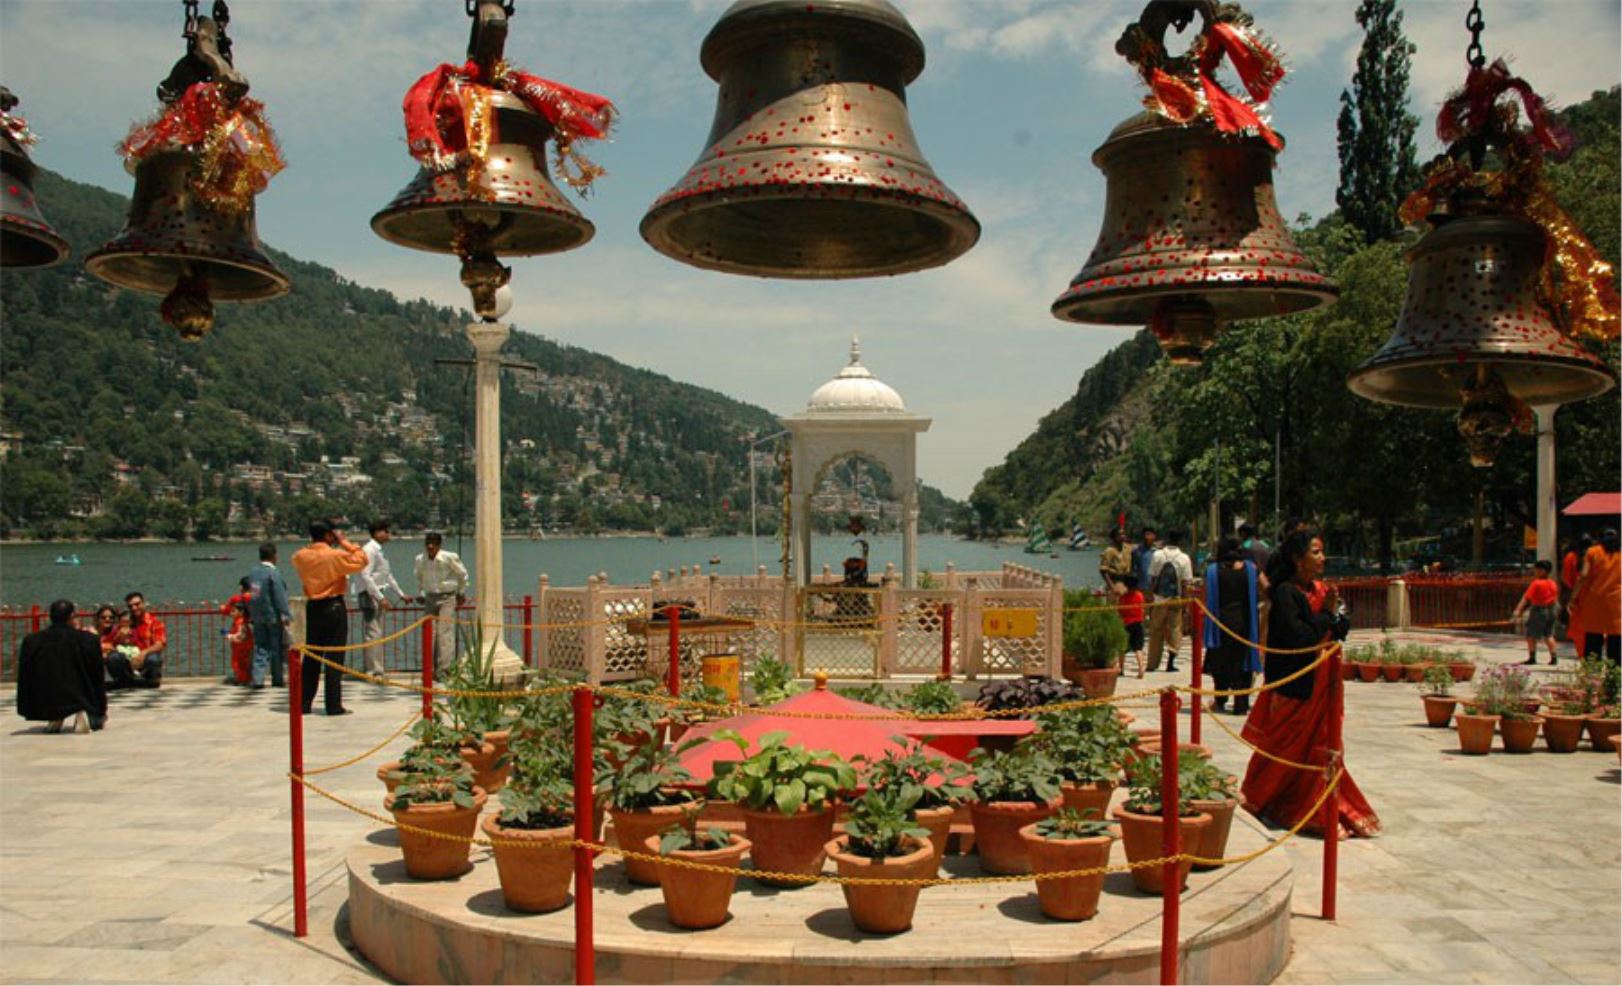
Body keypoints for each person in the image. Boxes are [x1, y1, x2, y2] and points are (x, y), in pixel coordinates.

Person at [1240, 529, 1379, 839]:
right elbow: (1301, 637)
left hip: (1323, 684)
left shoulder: (1322, 589)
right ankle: (1260, 796)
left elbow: (1339, 629)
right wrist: (1328, 614)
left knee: (1320, 747)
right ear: (1296, 558)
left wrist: (1335, 615)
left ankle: (1316, 805)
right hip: (1296, 685)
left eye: (1322, 552)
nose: (1322, 558)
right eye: (1315, 552)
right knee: (1282, 746)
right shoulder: (1287, 593)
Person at [291, 520, 368, 716]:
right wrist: (345, 542)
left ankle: (304, 703)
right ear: (328, 535)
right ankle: (333, 705)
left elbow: (297, 558)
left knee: (312, 657)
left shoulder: (300, 556)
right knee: (334, 658)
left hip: (313, 607)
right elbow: (362, 560)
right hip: (333, 606)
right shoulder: (335, 555)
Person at [17, 599, 107, 733]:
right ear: (71, 617)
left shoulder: (31, 641)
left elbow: (24, 676)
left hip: (43, 700)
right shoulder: (88, 640)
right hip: (80, 697)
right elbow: (98, 676)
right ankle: (81, 711)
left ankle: (55, 715)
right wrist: (100, 708)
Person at [1204, 536, 1261, 715]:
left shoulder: (1213, 571)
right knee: (1242, 662)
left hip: (1221, 622)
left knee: (1221, 660)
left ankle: (1220, 699)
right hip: (1244, 621)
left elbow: (1208, 596)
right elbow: (1265, 587)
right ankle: (1241, 704)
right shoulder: (1251, 570)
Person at [351, 519, 411, 677]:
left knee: (376, 631)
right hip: (370, 595)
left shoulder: (379, 550)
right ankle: (373, 669)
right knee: (373, 632)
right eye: (386, 531)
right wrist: (380, 598)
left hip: (377, 593)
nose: (388, 534)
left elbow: (387, 575)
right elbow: (366, 576)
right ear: (377, 533)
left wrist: (401, 594)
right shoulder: (370, 550)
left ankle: (376, 667)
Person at [415, 531, 468, 674]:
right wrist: (420, 593)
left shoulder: (449, 557)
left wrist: (461, 592)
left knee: (444, 633)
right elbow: (420, 577)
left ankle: (444, 668)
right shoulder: (420, 559)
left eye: (434, 544)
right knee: (429, 633)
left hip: (447, 597)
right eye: (428, 543)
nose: (430, 547)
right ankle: (429, 668)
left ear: (439, 545)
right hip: (430, 596)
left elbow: (462, 574)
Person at [1571, 528, 1621, 670]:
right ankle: (1615, 671)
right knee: (1616, 637)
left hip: (1593, 600)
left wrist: (1573, 597)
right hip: (1617, 601)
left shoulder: (1593, 552)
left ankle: (1592, 672)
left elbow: (1584, 575)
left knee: (1593, 636)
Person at [247, 542, 292, 690]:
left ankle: (258, 678)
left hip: (258, 616)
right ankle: (277, 678)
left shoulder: (254, 573)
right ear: (274, 556)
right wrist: (286, 614)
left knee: (260, 646)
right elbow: (280, 596)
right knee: (275, 649)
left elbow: (254, 595)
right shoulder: (273, 573)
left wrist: (253, 613)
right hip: (273, 616)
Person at [1146, 529, 1192, 673]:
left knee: (1155, 631)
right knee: (1175, 630)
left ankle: (1152, 664)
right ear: (1180, 541)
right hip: (1175, 599)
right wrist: (1186, 604)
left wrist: (1150, 600)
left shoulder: (1157, 555)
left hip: (1159, 599)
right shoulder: (1184, 558)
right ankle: (1170, 663)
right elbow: (1185, 584)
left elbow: (1152, 579)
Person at [105, 592, 166, 689]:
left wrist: (143, 654)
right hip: (127, 661)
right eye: (130, 606)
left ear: (143, 603)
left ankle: (150, 680)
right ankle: (127, 681)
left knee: (153, 658)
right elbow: (110, 642)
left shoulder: (154, 622)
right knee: (113, 657)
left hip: (145, 659)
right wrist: (120, 637)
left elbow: (160, 644)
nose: (134, 608)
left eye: (137, 604)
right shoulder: (125, 622)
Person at [1512, 560, 1561, 666]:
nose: (1535, 571)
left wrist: (1518, 610)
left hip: (1539, 610)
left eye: (1537, 569)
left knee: (1531, 635)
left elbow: (1526, 598)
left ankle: (1532, 657)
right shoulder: (1553, 583)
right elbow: (1555, 598)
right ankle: (1554, 658)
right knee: (1549, 635)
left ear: (1543, 571)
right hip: (1551, 610)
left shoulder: (1536, 583)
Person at [1561, 533, 1593, 658]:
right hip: (1597, 597)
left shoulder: (1570, 557)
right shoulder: (1598, 555)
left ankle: (1583, 656)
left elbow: (1566, 579)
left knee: (1579, 630)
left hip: (1578, 598)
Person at [221, 577, 255, 686]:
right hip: (252, 630)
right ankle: (248, 677)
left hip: (239, 629)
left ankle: (242, 678)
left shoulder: (236, 599)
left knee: (237, 660)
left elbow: (226, 610)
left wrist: (222, 609)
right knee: (249, 659)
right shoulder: (254, 597)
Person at [1119, 574, 1147, 679]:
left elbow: (1120, 610)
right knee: (1138, 648)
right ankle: (1141, 669)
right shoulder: (1140, 595)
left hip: (1126, 623)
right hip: (1138, 623)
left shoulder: (1124, 597)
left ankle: (1121, 669)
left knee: (1122, 648)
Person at [1099, 528, 1132, 597]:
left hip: (1127, 582)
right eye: (1120, 534)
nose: (1123, 536)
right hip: (1116, 581)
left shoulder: (1126, 548)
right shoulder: (1110, 551)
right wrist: (1112, 586)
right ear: (1114, 537)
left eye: (1124, 534)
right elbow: (1103, 570)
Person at [1132, 527, 1160, 597]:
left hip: (1156, 588)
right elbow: (1134, 570)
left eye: (1149, 534)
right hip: (1141, 588)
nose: (1146, 537)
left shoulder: (1158, 552)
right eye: (1144, 534)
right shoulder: (1136, 551)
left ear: (1154, 536)